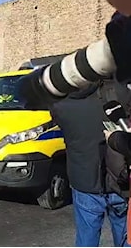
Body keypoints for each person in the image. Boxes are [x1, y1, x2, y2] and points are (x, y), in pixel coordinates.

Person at [51, 83, 128, 246]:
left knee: (87, 238)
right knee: (124, 237)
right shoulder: (119, 95)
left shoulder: (61, 105)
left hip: (84, 181)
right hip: (119, 180)